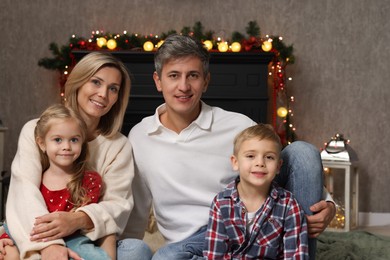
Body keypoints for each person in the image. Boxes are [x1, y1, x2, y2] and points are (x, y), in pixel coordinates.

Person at [124, 34, 335, 260]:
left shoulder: (238, 125)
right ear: (158, 81)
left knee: (302, 152)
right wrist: (129, 249)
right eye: (174, 76)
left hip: (243, 227)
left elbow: (279, 165)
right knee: (167, 257)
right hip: (189, 246)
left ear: (205, 81)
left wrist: (329, 205)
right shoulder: (140, 136)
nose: (183, 86)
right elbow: (137, 207)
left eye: (193, 76)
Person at [5, 52, 152, 259]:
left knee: (138, 250)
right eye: (96, 82)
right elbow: (24, 191)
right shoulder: (35, 130)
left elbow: (118, 205)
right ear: (78, 82)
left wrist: (77, 220)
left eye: (113, 89)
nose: (103, 94)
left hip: (89, 237)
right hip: (38, 232)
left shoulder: (119, 145)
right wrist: (51, 245)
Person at [1, 104, 115, 259]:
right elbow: (21, 215)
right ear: (42, 143)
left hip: (73, 236)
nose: (66, 147)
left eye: (74, 140)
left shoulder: (90, 180)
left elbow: (83, 222)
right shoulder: (36, 178)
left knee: (93, 256)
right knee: (10, 252)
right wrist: (5, 235)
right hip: (37, 235)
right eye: (58, 140)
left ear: (82, 142)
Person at [203, 124, 308, 259]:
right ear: (235, 162)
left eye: (269, 157)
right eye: (251, 156)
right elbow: (215, 254)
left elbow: (295, 255)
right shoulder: (221, 203)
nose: (260, 163)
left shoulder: (288, 205)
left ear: (278, 166)